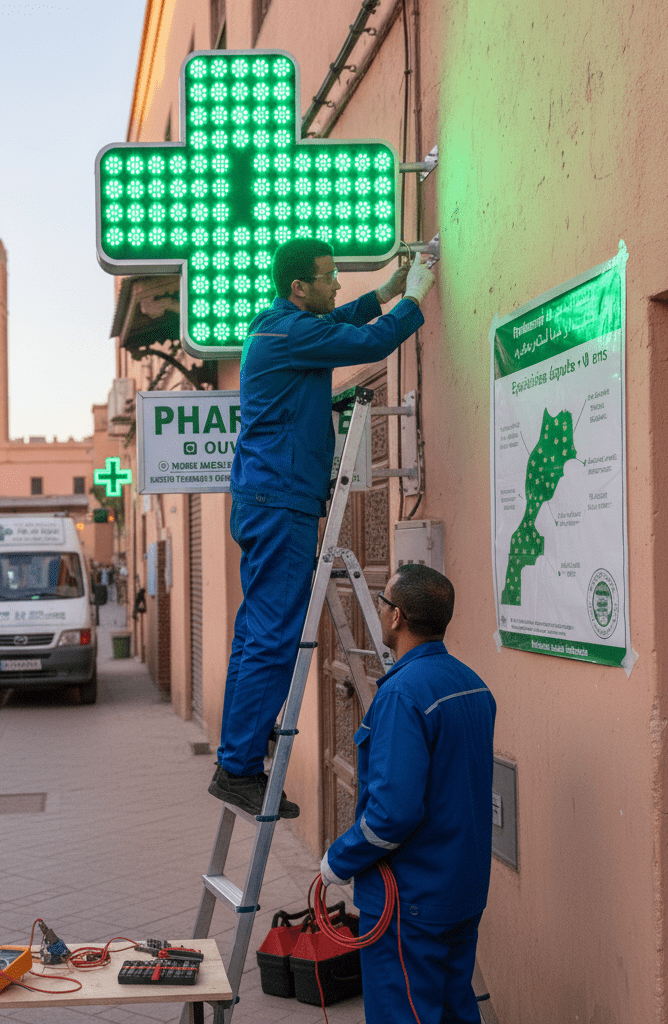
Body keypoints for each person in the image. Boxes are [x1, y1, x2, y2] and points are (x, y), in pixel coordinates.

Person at [209, 238, 435, 818]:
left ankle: (240, 752)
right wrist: (411, 300)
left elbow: (338, 320)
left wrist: (383, 293)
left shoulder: (280, 329)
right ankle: (238, 767)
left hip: (268, 499)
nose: (338, 285)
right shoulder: (292, 333)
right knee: (275, 633)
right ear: (298, 289)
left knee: (258, 631)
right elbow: (367, 340)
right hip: (280, 500)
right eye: (329, 276)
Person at [319, 565, 496, 1023]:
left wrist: (338, 861)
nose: (379, 610)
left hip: (410, 902)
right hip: (462, 889)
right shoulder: (473, 684)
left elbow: (392, 813)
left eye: (383, 603)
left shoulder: (402, 694)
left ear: (397, 617)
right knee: (455, 1010)